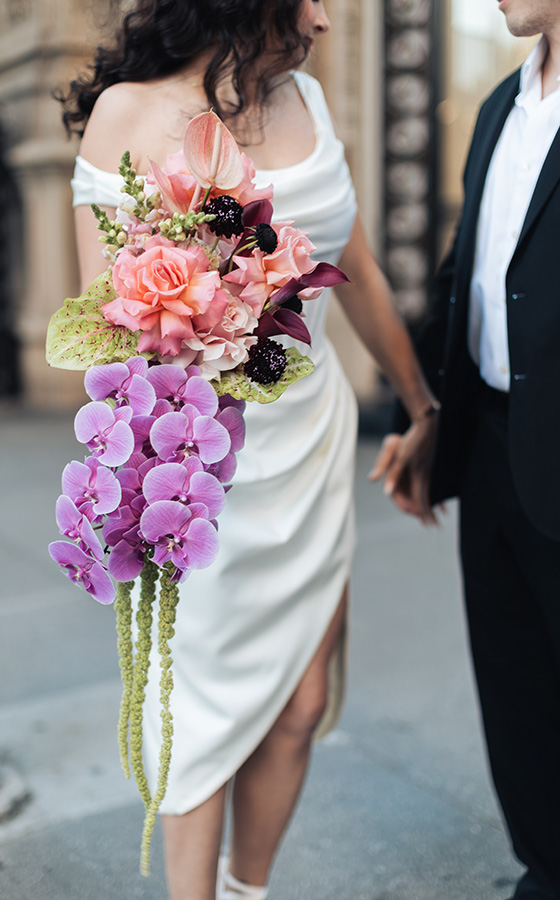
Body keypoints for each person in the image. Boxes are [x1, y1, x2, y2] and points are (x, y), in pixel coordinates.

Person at [62, 2, 438, 897]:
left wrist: (422, 405)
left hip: (311, 442)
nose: (325, 19)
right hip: (200, 464)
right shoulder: (126, 113)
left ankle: (247, 890)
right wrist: (202, 311)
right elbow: (99, 330)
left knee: (305, 704)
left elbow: (359, 271)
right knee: (203, 713)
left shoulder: (308, 97)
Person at [377, 2, 560, 896]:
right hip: (489, 444)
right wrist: (425, 417)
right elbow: (466, 278)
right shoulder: (498, 107)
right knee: (515, 690)